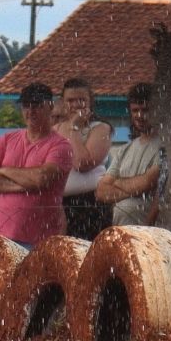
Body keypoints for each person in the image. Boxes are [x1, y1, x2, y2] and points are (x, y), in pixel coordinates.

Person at [0, 83, 74, 248]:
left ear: (50, 106)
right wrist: (23, 185)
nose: (30, 111)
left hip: (38, 240)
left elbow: (40, 178)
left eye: (36, 105)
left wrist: (4, 170)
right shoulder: (7, 139)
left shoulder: (61, 146)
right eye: (26, 106)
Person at [97, 83, 163, 226]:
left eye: (145, 110)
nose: (139, 116)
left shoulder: (166, 147)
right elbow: (101, 191)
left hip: (148, 232)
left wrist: (116, 183)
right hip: (121, 233)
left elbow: (147, 182)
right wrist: (135, 190)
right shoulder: (124, 149)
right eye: (135, 110)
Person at [55, 78, 113, 239]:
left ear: (90, 102)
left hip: (90, 205)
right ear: (62, 102)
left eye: (81, 100)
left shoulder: (100, 128)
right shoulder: (54, 130)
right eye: (70, 100)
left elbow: (82, 163)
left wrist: (74, 128)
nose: (76, 105)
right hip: (58, 205)